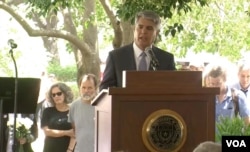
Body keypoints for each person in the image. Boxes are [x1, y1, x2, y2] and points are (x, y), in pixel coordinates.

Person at [100, 10, 176, 90]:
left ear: (156, 33)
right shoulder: (116, 57)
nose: (143, 32)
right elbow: (104, 89)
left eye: (149, 28)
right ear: (134, 29)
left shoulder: (166, 59)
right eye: (140, 27)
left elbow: (174, 89)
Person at [41, 82, 75, 152]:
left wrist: (70, 150)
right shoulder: (47, 111)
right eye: (53, 95)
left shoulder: (73, 111)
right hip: (50, 149)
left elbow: (75, 133)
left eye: (59, 93)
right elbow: (47, 132)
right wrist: (67, 132)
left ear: (65, 94)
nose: (56, 96)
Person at [68, 74, 98, 152]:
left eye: (89, 88)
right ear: (80, 88)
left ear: (95, 88)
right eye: (83, 87)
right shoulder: (74, 106)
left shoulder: (103, 105)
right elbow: (74, 130)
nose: (86, 91)